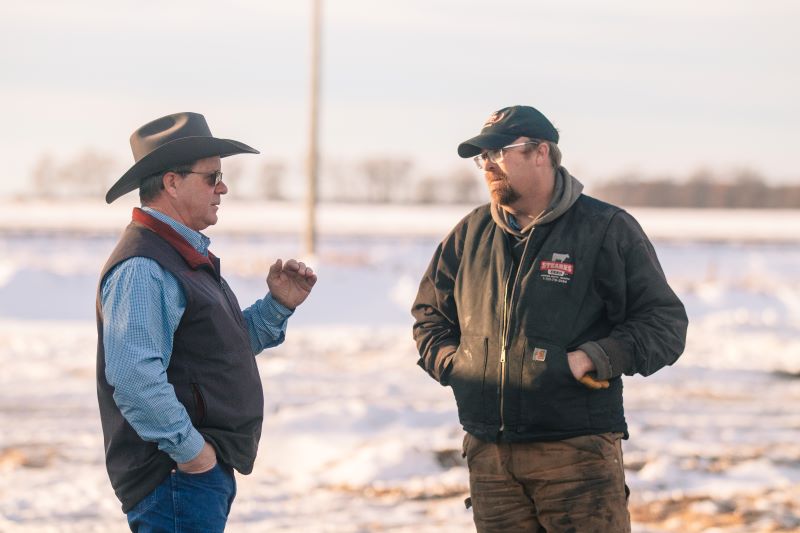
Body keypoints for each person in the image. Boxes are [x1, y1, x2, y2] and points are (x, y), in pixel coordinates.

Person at [411, 105, 688, 532]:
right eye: (481, 157)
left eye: (499, 152)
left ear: (541, 152)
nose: (487, 165)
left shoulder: (604, 229)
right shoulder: (471, 233)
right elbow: (429, 314)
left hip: (576, 457)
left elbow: (664, 323)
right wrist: (455, 364)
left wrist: (594, 357)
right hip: (490, 459)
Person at [96, 112, 317, 532]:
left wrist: (276, 305)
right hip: (175, 478)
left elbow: (213, 350)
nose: (223, 187)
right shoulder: (145, 265)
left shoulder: (178, 255)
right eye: (212, 176)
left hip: (188, 476)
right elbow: (133, 378)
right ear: (171, 182)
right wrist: (193, 454)